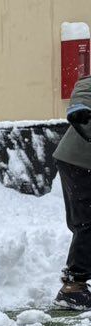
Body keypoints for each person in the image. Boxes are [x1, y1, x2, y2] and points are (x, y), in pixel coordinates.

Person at [56, 80, 91, 311]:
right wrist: (81, 107)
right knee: (88, 221)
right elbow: (84, 86)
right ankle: (73, 287)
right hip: (78, 160)